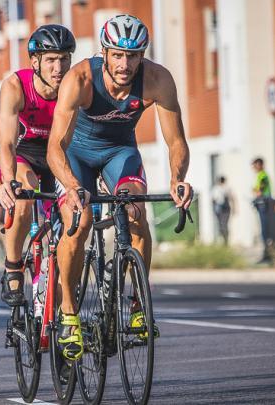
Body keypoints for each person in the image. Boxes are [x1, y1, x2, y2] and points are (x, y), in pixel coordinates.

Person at [47, 15, 193, 363]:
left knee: (136, 213)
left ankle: (139, 304)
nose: (125, 64)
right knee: (78, 222)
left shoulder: (157, 79)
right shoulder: (79, 78)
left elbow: (176, 142)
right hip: (76, 155)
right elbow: (55, 147)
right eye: (117, 55)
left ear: (142, 55)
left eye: (133, 56)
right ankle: (69, 313)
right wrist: (72, 187)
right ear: (104, 52)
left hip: (119, 152)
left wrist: (177, 178)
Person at [0, 24, 75, 307]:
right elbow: (5, 143)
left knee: (73, 214)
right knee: (24, 198)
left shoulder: (74, 86)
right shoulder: (16, 86)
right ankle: (13, 266)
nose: (59, 67)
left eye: (65, 59)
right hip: (21, 153)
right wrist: (6, 182)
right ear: (35, 62)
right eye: (51, 60)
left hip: (57, 156)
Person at [251, 157, 272, 262]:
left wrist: (255, 190)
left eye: (255, 165)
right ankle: (266, 253)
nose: (254, 168)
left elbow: (260, 190)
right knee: (263, 231)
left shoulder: (263, 175)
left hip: (264, 204)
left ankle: (267, 255)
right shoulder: (260, 175)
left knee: (265, 231)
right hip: (262, 204)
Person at [211, 176, 232, 245]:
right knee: (221, 225)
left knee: (223, 224)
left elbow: (231, 198)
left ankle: (225, 241)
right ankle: (224, 240)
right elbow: (213, 200)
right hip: (219, 208)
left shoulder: (225, 188)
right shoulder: (216, 189)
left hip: (224, 208)